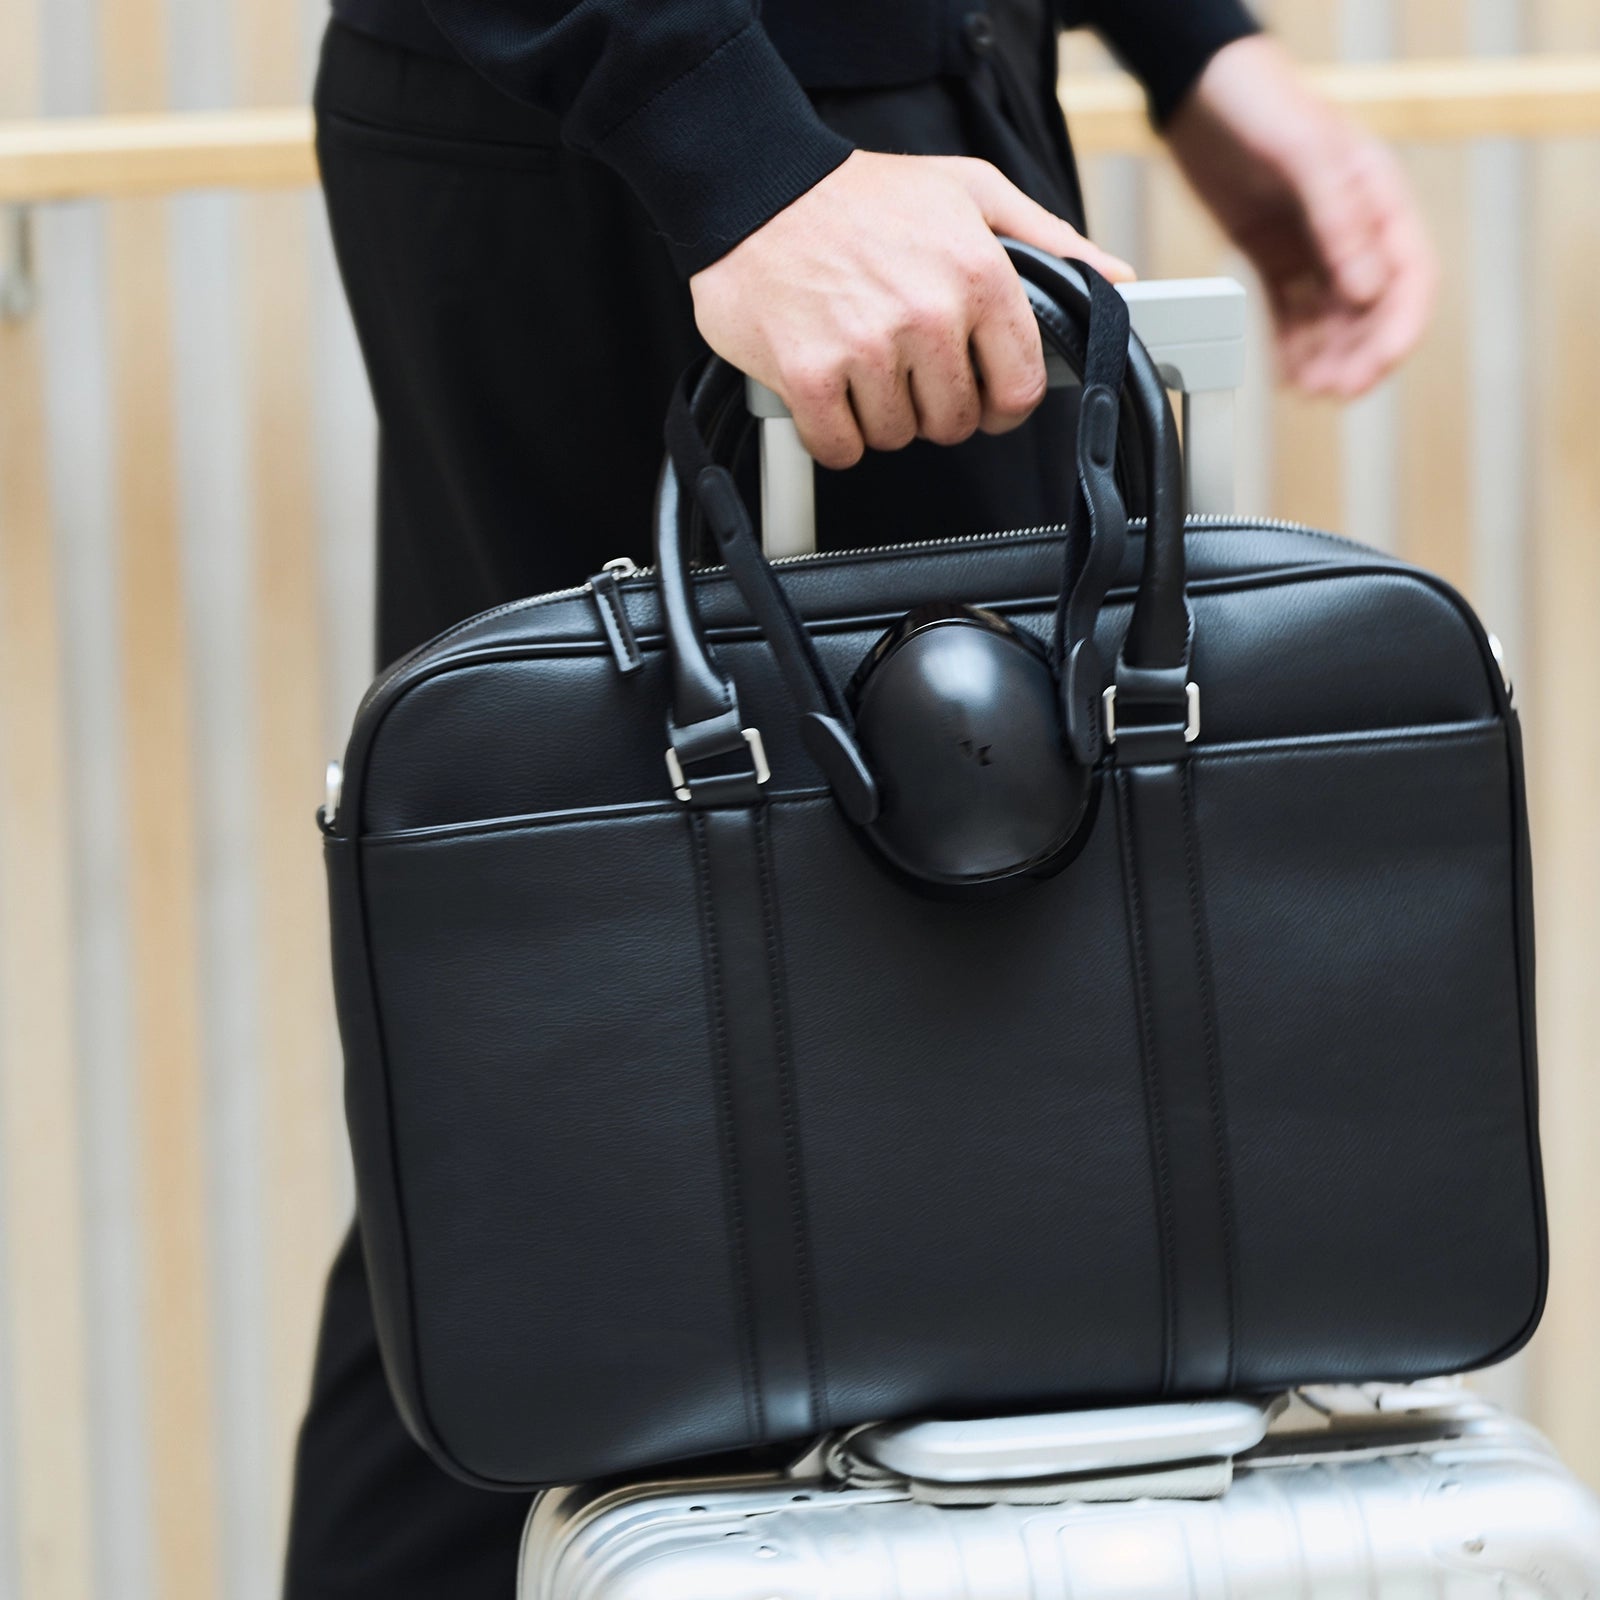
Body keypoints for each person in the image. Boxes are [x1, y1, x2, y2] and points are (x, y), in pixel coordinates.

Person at [286, 3, 1436, 1595]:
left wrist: (1190, 46)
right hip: (685, 139)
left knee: (727, 1085)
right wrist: (728, 145)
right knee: (574, 1093)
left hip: (885, 122)